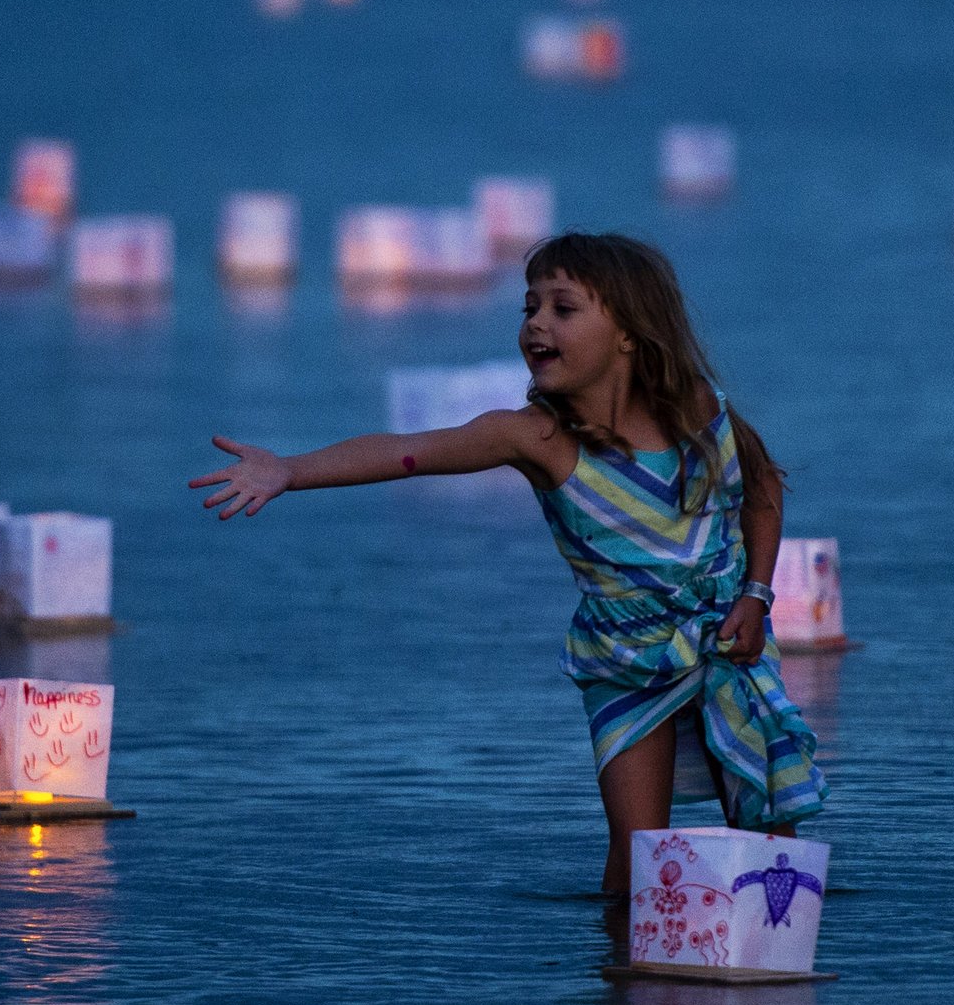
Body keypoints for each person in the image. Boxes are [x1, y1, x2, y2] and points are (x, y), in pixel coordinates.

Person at [192, 231, 824, 894]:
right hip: (625, 658)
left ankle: (765, 970)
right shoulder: (535, 438)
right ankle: (627, 980)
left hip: (727, 637)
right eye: (529, 308)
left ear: (630, 333)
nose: (536, 324)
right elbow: (408, 451)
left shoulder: (694, 405)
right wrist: (289, 469)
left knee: (768, 832)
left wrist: (756, 594)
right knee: (639, 855)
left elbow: (761, 487)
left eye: (563, 308)